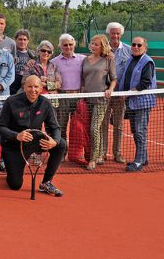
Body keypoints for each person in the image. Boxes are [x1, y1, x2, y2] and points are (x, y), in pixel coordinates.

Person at [0, 75, 66, 196]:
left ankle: (46, 182)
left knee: (61, 144)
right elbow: (1, 127)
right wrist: (16, 135)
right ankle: (12, 170)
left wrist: (54, 141)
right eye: (29, 86)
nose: (33, 90)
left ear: (40, 89)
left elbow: (55, 127)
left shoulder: (45, 103)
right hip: (14, 145)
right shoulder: (11, 101)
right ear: (24, 87)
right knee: (15, 185)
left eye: (36, 87)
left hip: (34, 141)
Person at [118, 37, 156, 172]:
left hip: (142, 102)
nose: (135, 46)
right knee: (136, 131)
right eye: (133, 44)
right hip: (131, 101)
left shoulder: (147, 62)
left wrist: (127, 93)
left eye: (139, 45)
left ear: (145, 47)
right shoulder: (130, 59)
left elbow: (145, 83)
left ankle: (139, 161)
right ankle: (143, 157)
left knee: (140, 131)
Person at [81, 34, 117, 171]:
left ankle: (93, 159)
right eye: (92, 43)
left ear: (103, 46)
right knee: (91, 128)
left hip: (101, 100)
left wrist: (110, 90)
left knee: (94, 128)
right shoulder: (85, 60)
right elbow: (83, 79)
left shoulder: (108, 60)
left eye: (97, 44)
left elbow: (114, 78)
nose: (93, 46)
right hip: (86, 99)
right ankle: (100, 153)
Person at [103, 22, 131, 163]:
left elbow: (131, 72)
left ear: (121, 34)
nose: (115, 35)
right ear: (108, 33)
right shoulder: (102, 49)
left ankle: (117, 153)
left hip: (120, 95)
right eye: (113, 33)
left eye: (117, 33)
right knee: (103, 124)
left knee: (119, 125)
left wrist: (126, 92)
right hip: (104, 94)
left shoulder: (128, 50)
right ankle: (102, 153)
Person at [50, 34, 86, 145]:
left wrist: (109, 55)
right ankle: (62, 152)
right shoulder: (54, 62)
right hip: (62, 97)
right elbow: (50, 79)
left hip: (78, 96)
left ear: (74, 45)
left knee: (78, 127)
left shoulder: (83, 59)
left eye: (70, 44)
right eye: (65, 45)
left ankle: (76, 153)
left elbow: (98, 59)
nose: (68, 47)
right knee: (61, 125)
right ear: (60, 46)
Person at [11, 29, 37, 95]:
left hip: (27, 86)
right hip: (12, 85)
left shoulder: (33, 54)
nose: (22, 42)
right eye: (20, 39)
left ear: (28, 41)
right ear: (15, 40)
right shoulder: (11, 53)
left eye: (25, 39)